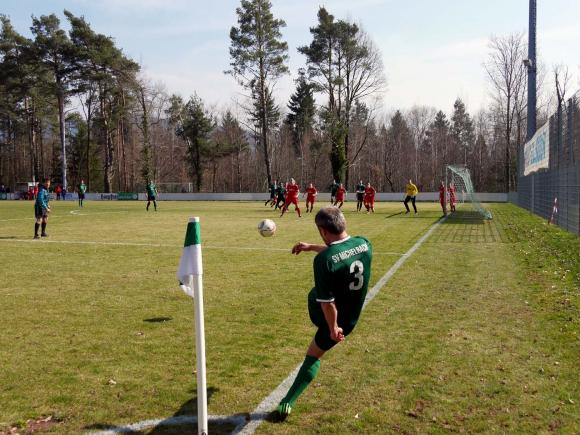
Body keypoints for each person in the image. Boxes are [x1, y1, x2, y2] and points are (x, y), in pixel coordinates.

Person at [276, 207, 373, 420]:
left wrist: (333, 328)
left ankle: (287, 402)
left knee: (313, 352)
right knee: (323, 298)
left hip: (336, 319)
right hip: (353, 312)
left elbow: (328, 303)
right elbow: (339, 253)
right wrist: (311, 247)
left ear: (322, 230)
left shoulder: (323, 261)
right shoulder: (364, 243)